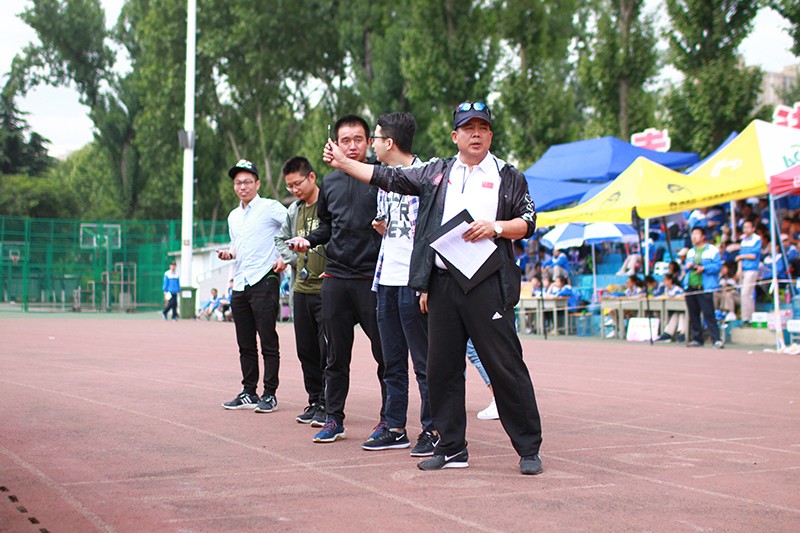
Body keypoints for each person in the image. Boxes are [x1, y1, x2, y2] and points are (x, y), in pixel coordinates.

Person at [322, 100, 544, 475]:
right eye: (468, 128)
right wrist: (344, 163)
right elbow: (388, 177)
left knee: (505, 366)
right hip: (442, 284)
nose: (476, 134)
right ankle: (452, 447)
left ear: (490, 135)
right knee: (441, 369)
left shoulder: (508, 175)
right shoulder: (436, 173)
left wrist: (496, 227)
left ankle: (528, 448)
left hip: (488, 284)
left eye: (483, 128)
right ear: (455, 136)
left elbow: (528, 221)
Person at [286, 115, 386, 444]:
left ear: (369, 142)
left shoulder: (382, 177)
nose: (352, 145)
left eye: (358, 139)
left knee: (385, 354)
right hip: (336, 278)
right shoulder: (330, 182)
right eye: (345, 140)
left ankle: (388, 420)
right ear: (336, 144)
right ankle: (333, 418)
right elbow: (327, 226)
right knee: (334, 355)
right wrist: (309, 240)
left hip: (372, 280)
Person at [360, 112, 438, 456]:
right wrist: (382, 226)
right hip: (386, 279)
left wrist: (426, 283)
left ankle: (433, 429)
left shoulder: (428, 175)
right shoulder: (383, 181)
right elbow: (392, 226)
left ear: (389, 142)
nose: (371, 145)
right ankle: (394, 427)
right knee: (392, 361)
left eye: (375, 139)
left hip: (413, 280)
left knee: (424, 362)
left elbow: (433, 232)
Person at [217, 159, 288, 411]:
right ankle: (249, 391)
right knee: (245, 343)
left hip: (264, 279)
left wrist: (285, 256)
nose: (242, 187)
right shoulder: (233, 216)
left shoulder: (270, 207)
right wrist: (229, 254)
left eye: (247, 182)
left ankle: (270, 394)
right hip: (241, 283)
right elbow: (237, 245)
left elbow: (293, 226)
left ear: (257, 184)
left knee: (268, 339)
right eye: (238, 183)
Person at [274, 156, 328, 427]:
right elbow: (280, 238)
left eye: (298, 184)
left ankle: (329, 403)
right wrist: (293, 259)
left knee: (327, 350)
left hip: (326, 289)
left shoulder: (328, 204)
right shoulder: (294, 210)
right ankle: (314, 400)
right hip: (301, 289)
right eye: (290, 186)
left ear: (312, 177)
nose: (294, 190)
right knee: (306, 350)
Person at [683, 226, 724, 349]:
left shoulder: (712, 250)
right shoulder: (691, 251)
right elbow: (685, 267)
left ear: (703, 236)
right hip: (691, 286)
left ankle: (716, 339)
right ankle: (697, 338)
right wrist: (688, 266)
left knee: (708, 313)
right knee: (693, 314)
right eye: (692, 234)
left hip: (705, 286)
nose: (694, 237)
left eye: (696, 234)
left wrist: (704, 268)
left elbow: (717, 266)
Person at [735, 219, 761, 324]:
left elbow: (753, 256)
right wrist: (739, 269)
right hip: (744, 270)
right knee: (745, 294)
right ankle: (748, 317)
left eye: (748, 227)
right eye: (744, 227)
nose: (745, 229)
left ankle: (747, 318)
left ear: (753, 228)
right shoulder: (743, 240)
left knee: (746, 293)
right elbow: (739, 258)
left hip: (751, 269)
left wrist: (741, 256)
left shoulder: (756, 239)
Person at [655, 274, 687, 342]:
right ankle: (668, 333)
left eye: (665, 280)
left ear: (670, 280)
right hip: (672, 310)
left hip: (683, 310)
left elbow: (681, 298)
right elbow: (658, 295)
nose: (664, 281)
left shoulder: (677, 289)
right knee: (675, 314)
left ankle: (681, 333)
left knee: (680, 314)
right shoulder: (666, 289)